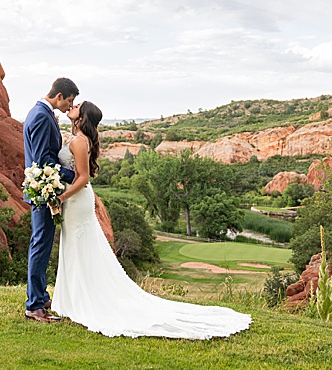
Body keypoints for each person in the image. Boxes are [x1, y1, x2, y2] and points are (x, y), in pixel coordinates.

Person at [50, 100, 251, 339]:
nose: (72, 106)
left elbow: (83, 178)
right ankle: (73, 299)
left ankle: (83, 301)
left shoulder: (81, 141)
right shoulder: (77, 138)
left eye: (77, 106)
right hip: (73, 200)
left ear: (82, 117)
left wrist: (61, 197)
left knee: (79, 248)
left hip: (76, 199)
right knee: (75, 248)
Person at [22, 77, 78, 323]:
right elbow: (45, 161)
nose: (69, 106)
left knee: (41, 244)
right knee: (40, 246)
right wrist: (73, 176)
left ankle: (42, 297)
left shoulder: (39, 112)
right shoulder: (43, 117)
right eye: (70, 100)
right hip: (43, 192)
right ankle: (34, 305)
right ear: (59, 96)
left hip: (42, 189)